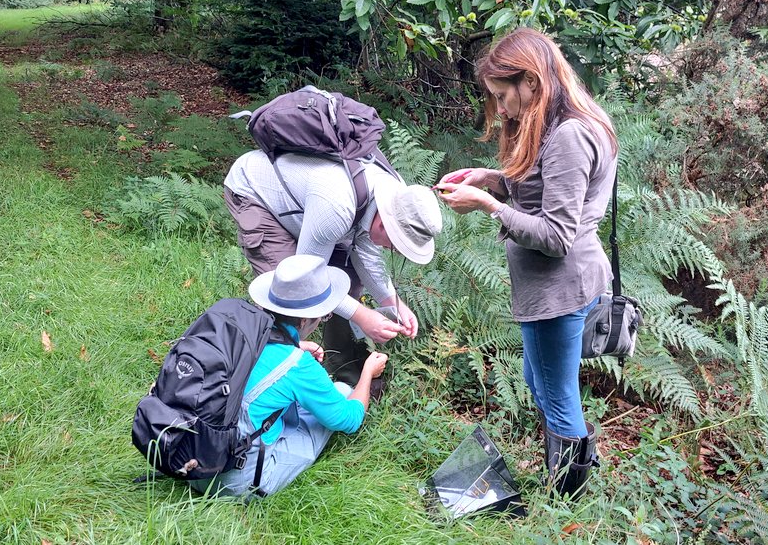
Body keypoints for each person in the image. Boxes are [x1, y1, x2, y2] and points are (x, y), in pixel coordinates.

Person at [435, 27, 617, 499]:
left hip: (560, 289)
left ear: (531, 82)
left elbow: (557, 236)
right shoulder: (558, 124)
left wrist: (488, 206)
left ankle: (565, 501)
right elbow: (544, 194)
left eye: (501, 95)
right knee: (541, 382)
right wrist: (493, 180)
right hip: (551, 288)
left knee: (556, 398)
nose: (498, 110)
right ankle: (566, 477)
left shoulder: (570, 136)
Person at [224, 142, 442, 386]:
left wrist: (392, 302)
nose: (392, 250)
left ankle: (342, 372)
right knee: (290, 297)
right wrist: (361, 316)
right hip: (257, 193)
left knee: (347, 276)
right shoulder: (337, 207)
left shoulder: (394, 195)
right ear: (385, 225)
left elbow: (365, 253)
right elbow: (305, 279)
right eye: (396, 245)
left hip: (307, 204)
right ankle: (263, 381)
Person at [189, 254, 389, 499]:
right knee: (343, 393)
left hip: (189, 456)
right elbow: (349, 420)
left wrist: (297, 346)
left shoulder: (241, 331)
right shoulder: (297, 365)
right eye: (323, 316)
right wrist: (368, 373)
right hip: (232, 479)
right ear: (305, 319)